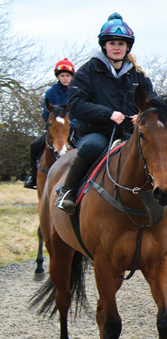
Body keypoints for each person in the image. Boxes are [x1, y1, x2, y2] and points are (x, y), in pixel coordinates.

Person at [55, 13, 155, 214]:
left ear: (128, 47)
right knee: (93, 146)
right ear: (104, 46)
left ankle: (165, 194)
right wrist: (107, 113)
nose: (116, 47)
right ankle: (67, 191)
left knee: (158, 145)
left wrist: (142, 115)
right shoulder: (87, 71)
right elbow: (74, 104)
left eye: (121, 43)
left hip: (129, 134)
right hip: (95, 132)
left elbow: (152, 102)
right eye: (112, 43)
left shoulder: (139, 75)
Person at [23, 58, 77, 189]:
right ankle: (32, 174)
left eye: (67, 76)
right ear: (58, 77)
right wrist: (51, 124)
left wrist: (72, 125)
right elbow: (45, 112)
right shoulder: (51, 92)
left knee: (83, 147)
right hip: (54, 128)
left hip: (72, 128)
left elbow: (78, 111)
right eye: (62, 76)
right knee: (34, 145)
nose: (65, 78)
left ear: (71, 77)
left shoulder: (76, 92)